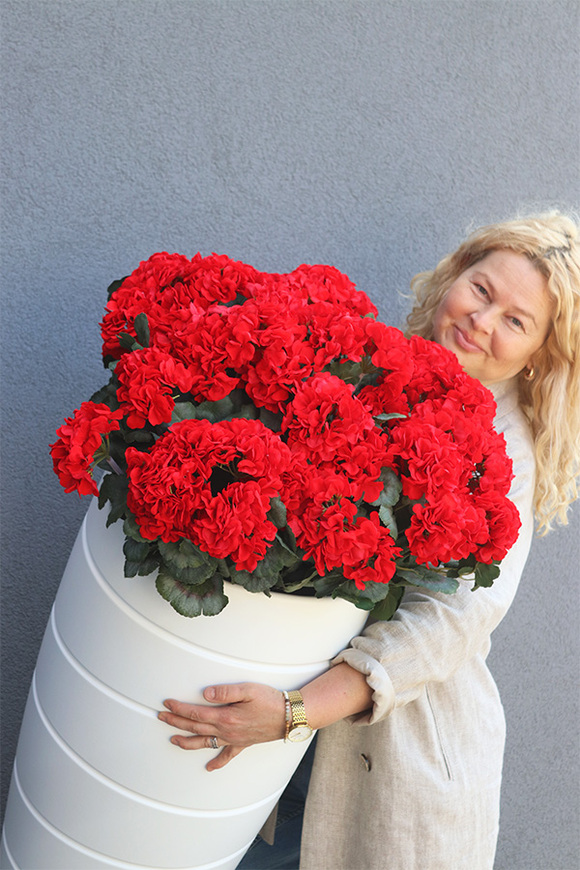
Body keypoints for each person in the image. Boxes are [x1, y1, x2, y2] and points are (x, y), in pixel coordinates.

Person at [158, 212, 580, 870]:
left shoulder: (508, 455)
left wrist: (295, 712)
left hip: (387, 759)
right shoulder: (370, 367)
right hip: (276, 727)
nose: (481, 321)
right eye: (481, 289)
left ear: (538, 358)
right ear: (455, 274)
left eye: (516, 321)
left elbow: (448, 623)